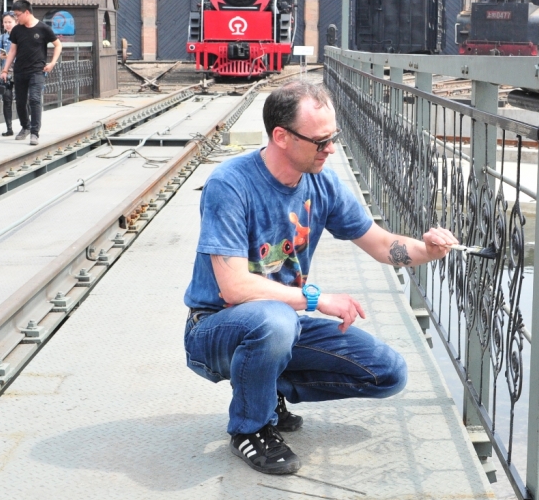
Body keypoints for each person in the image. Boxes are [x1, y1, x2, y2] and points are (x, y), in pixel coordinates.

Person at [183, 81, 457, 475]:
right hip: (214, 328)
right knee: (273, 319)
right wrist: (317, 300)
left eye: (334, 138)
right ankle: (251, 426)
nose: (330, 149)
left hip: (281, 322)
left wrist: (427, 250)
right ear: (281, 136)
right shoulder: (231, 184)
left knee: (387, 373)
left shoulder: (321, 182)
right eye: (320, 141)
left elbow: (382, 245)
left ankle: (264, 386)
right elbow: (235, 287)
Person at [0, 0, 61, 146]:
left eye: (17, 15)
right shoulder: (17, 30)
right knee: (20, 102)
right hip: (20, 70)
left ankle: (34, 132)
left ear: (27, 12)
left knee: (34, 99)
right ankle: (25, 127)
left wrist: (52, 63)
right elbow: (12, 50)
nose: (16, 18)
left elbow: (58, 45)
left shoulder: (43, 28)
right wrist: (5, 70)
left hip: (37, 71)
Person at [0, 12, 16, 136]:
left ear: (15, 22)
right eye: (5, 22)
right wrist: (0, 57)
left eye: (9, 22)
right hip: (5, 73)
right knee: (7, 100)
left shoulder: (21, 36)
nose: (7, 25)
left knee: (24, 100)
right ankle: (9, 128)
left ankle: (26, 126)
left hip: (19, 72)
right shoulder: (1, 38)